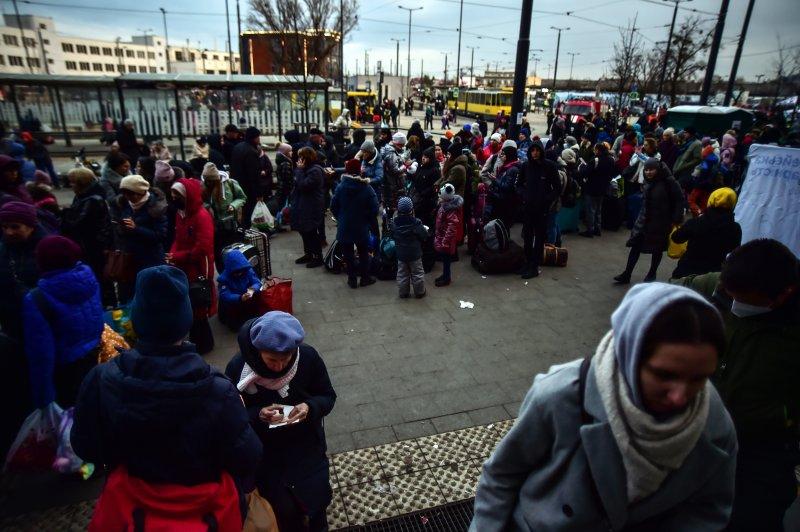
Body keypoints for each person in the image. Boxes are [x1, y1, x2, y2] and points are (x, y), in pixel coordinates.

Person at [471, 283, 737, 530]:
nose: (680, 397)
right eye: (664, 375)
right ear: (629, 354)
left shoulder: (714, 425)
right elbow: (501, 475)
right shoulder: (561, 395)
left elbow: (708, 509)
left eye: (699, 379)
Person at [72, 265, 262, 530]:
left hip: (133, 512)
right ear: (184, 322)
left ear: (137, 319)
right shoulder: (217, 390)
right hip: (205, 514)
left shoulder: (101, 379)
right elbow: (247, 456)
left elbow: (86, 447)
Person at [675, 239, 799, 531]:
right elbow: (662, 296)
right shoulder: (717, 286)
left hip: (761, 449)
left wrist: (785, 417)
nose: (735, 305)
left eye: (745, 299)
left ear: (783, 295)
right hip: (698, 434)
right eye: (731, 296)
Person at [225, 311, 336, 532]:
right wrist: (258, 414)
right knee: (283, 512)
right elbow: (232, 417)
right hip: (267, 456)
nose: (279, 367)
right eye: (272, 360)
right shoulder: (238, 368)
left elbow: (327, 396)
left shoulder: (307, 358)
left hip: (307, 447)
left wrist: (309, 407)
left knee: (317, 501)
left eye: (286, 359)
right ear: (257, 352)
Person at [23, 236, 103, 410]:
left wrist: (43, 400)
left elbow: (41, 354)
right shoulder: (87, 277)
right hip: (93, 358)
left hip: (63, 372)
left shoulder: (37, 298)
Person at [614, 158, 684, 284]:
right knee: (635, 246)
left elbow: (679, 199)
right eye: (646, 170)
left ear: (658, 169)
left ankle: (652, 274)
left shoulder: (669, 181)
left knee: (657, 249)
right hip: (644, 220)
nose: (648, 172)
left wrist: (675, 219)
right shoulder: (648, 181)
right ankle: (627, 273)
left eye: (651, 170)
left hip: (661, 221)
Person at [168, 178, 216, 354]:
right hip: (184, 266)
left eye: (177, 194)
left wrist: (177, 256)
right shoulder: (181, 213)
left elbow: (202, 248)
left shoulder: (201, 216)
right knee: (191, 304)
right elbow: (178, 238)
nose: (173, 197)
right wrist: (172, 254)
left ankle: (204, 345)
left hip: (197, 268)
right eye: (172, 193)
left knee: (198, 306)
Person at [109, 175, 168, 302]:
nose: (129, 198)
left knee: (152, 296)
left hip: (151, 260)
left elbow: (160, 236)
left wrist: (136, 229)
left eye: (131, 194)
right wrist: (120, 227)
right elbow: (117, 231)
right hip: (129, 259)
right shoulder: (123, 205)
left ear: (141, 192)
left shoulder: (156, 207)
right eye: (125, 194)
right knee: (130, 296)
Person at [671, 187, 741, 280]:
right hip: (713, 275)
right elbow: (734, 249)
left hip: (687, 270)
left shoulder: (696, 222)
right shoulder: (735, 228)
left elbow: (676, 238)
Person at [0, 201, 46, 339]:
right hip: (11, 320)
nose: (9, 232)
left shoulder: (47, 249)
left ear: (31, 227)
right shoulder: (4, 248)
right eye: (4, 227)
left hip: (39, 321)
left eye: (15, 227)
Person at [330, 159, 379, 288]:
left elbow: (333, 205)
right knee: (363, 252)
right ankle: (365, 278)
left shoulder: (341, 187)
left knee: (348, 253)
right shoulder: (366, 187)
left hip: (345, 225)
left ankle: (352, 279)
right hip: (361, 226)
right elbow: (374, 207)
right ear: (359, 170)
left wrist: (340, 218)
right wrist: (367, 219)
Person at [60, 167, 112, 288]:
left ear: (81, 183)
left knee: (97, 276)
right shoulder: (83, 195)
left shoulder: (92, 200)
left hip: (92, 246)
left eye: (72, 182)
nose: (71, 185)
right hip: (89, 245)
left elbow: (76, 223)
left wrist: (64, 213)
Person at [519, 140, 561, 279]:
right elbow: (519, 185)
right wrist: (524, 195)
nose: (535, 153)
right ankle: (527, 261)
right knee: (527, 237)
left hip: (542, 209)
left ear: (541, 151)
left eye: (537, 150)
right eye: (532, 150)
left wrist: (546, 199)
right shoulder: (526, 166)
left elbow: (557, 188)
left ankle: (534, 266)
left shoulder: (549, 167)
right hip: (528, 208)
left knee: (539, 238)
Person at [201, 162, 247, 272]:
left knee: (231, 251)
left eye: (211, 181)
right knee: (218, 254)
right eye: (207, 181)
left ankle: (234, 272)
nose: (209, 183)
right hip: (214, 227)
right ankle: (223, 274)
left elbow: (242, 197)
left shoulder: (230, 183)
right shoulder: (203, 187)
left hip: (230, 225)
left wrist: (233, 205)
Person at [291, 147, 326, 268]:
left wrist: (299, 171)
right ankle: (309, 254)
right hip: (303, 204)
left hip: (312, 206)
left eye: (301, 157)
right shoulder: (306, 169)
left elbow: (303, 185)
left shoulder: (315, 171)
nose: (299, 159)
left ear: (306, 158)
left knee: (310, 231)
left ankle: (318, 256)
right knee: (304, 230)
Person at [217, 249, 266, 331]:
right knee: (236, 327)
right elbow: (225, 295)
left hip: (247, 297)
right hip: (235, 303)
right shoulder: (224, 279)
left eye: (240, 271)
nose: (239, 274)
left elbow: (257, 282)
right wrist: (239, 298)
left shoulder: (247, 271)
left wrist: (253, 289)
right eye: (236, 272)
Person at [391, 196, 429, 298]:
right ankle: (420, 292)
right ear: (412, 209)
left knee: (402, 274)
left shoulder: (394, 223)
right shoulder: (416, 222)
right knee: (417, 273)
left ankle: (403, 293)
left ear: (398, 210)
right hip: (415, 253)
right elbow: (424, 235)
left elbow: (392, 235)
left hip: (401, 254)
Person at [579, 142, 616, 238]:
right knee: (598, 209)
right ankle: (597, 229)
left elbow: (585, 172)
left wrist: (582, 167)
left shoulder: (595, 160)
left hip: (592, 188)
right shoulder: (611, 159)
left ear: (598, 150)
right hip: (603, 188)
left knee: (591, 210)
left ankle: (590, 230)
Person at [230, 127, 263, 229]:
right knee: (248, 213)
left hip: (237, 185)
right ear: (254, 138)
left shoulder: (238, 147)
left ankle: (241, 230)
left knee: (241, 212)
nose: (259, 139)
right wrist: (259, 193)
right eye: (258, 137)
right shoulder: (251, 152)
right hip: (248, 188)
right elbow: (254, 175)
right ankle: (246, 233)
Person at [433, 183, 463, 287]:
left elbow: (452, 227)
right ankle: (445, 275)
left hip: (447, 240)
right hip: (443, 236)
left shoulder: (450, 209)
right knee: (445, 259)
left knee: (446, 260)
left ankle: (447, 278)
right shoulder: (445, 204)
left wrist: (445, 241)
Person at [408, 147, 440, 228]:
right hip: (418, 200)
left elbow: (434, 186)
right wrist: (410, 173)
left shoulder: (434, 170)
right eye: (423, 156)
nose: (423, 158)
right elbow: (415, 179)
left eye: (426, 157)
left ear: (430, 158)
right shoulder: (421, 167)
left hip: (427, 202)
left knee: (425, 223)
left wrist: (423, 193)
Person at [380, 132, 409, 222]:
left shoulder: (386, 150)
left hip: (387, 184)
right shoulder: (391, 153)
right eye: (402, 145)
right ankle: (389, 228)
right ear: (398, 143)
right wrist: (405, 166)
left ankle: (387, 226)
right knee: (391, 209)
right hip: (392, 185)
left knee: (388, 207)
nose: (403, 147)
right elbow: (395, 170)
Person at [687, 142, 719, 218]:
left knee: (691, 201)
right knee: (703, 203)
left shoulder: (705, 165)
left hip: (700, 186)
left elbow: (700, 177)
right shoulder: (714, 162)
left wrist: (696, 184)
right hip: (709, 187)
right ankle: (702, 216)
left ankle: (699, 214)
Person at [274, 143, 294, 213]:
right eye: (290, 151)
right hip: (285, 188)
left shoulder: (282, 161)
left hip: (281, 187)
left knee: (282, 203)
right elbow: (287, 178)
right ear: (285, 152)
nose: (292, 152)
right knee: (284, 204)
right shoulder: (286, 163)